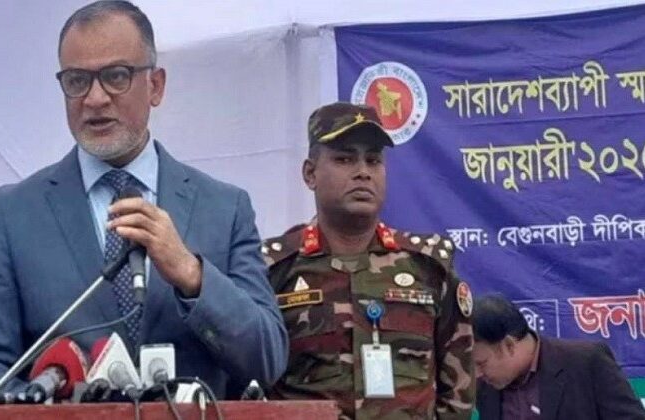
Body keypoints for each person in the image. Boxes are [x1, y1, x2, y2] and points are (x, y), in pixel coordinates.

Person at [0, 0, 287, 397]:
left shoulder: (225, 208)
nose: (95, 98)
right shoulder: (12, 214)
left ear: (156, 86)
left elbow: (267, 360)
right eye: (77, 80)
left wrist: (192, 275)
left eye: (116, 76)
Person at [262, 101, 475, 419]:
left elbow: (458, 393)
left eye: (373, 160)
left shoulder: (428, 267)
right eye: (344, 159)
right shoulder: (272, 270)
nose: (362, 172)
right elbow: (250, 386)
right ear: (310, 173)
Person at [473, 294, 645, 420]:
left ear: (509, 345)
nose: (477, 374)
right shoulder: (486, 386)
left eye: (481, 363)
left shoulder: (586, 362)